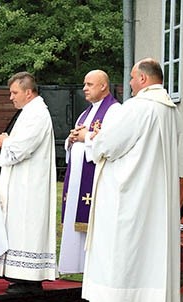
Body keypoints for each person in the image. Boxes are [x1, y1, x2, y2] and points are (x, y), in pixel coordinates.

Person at [79, 58, 181, 302]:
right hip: (155, 195)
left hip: (127, 192)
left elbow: (109, 144)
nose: (131, 83)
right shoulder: (170, 111)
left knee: (119, 248)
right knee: (149, 250)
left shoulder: (137, 108)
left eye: (133, 79)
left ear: (144, 79)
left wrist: (91, 139)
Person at [0, 72, 56, 294]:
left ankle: (30, 278)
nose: (11, 97)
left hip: (30, 185)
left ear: (28, 92)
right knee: (18, 228)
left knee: (27, 228)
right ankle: (19, 275)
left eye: (14, 92)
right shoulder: (28, 112)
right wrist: (6, 141)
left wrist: (6, 141)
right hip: (21, 183)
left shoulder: (37, 114)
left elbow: (20, 149)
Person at [57, 70, 120, 274]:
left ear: (103, 86)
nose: (84, 88)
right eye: (84, 84)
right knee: (75, 219)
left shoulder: (114, 111)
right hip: (76, 177)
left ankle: (91, 267)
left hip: (95, 179)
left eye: (89, 84)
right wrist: (72, 138)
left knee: (92, 222)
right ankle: (76, 264)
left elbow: (110, 143)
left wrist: (86, 137)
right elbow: (77, 141)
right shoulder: (86, 113)